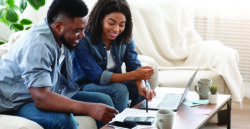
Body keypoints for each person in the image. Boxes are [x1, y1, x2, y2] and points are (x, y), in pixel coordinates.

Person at [0, 0, 118, 128]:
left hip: (50, 91)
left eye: (83, 29)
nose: (83, 35)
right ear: (58, 26)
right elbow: (41, 98)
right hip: (17, 102)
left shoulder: (62, 36)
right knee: (64, 121)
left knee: (104, 101)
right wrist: (89, 108)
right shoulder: (38, 45)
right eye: (78, 30)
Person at [73, 0, 156, 113]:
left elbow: (133, 66)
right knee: (120, 90)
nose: (116, 29)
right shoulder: (84, 38)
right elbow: (97, 77)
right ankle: (118, 124)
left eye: (121, 24)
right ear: (100, 19)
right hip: (84, 85)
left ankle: (135, 120)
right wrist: (135, 74)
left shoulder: (125, 36)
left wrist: (142, 86)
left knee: (141, 86)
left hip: (110, 83)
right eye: (111, 23)